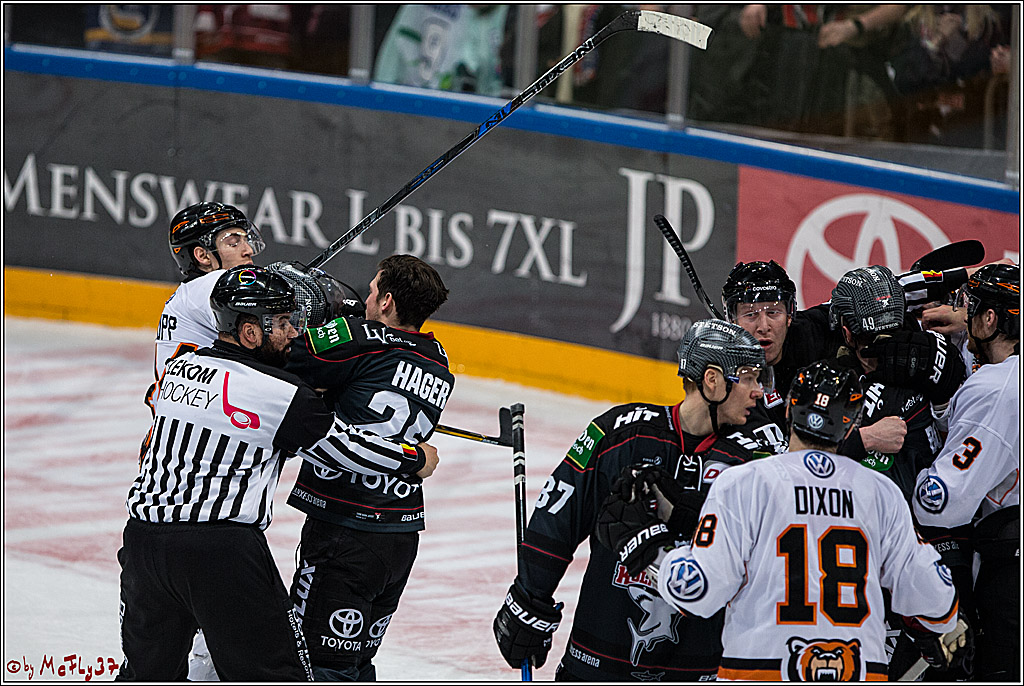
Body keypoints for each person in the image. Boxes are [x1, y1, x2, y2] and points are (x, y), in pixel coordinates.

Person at [118, 266, 438, 681]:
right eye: (284, 323)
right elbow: (344, 450)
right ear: (251, 332)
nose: (293, 334)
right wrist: (413, 458)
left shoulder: (180, 369)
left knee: (148, 675)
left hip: (143, 547)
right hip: (220, 553)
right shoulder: (280, 394)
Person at [599, 360, 970, 681]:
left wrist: (649, 550)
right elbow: (935, 602)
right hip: (856, 669)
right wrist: (945, 619)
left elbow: (698, 592)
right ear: (852, 422)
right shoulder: (881, 494)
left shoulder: (744, 483)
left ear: (790, 410)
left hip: (759, 670)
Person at [493, 319, 767, 681]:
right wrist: (530, 598)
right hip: (599, 655)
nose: (759, 391)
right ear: (712, 381)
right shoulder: (620, 432)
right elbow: (558, 515)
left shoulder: (757, 461)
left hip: (701, 665)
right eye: (747, 377)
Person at [283, 254, 453, 681]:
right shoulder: (439, 361)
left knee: (315, 664)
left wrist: (315, 322)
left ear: (388, 302)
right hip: (400, 538)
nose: (366, 299)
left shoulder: (359, 337)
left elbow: (284, 356)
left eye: (373, 291)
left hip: (346, 527)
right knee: (357, 663)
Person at [913, 263, 1020, 681]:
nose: (963, 314)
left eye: (970, 307)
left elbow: (940, 504)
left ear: (991, 319)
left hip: (1010, 577)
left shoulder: (997, 389)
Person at [720, 261, 913, 465]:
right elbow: (768, 466)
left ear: (789, 315)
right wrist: (864, 439)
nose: (763, 326)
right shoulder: (725, 376)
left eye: (773, 313)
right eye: (750, 314)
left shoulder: (816, 330)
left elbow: (885, 299)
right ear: (732, 320)